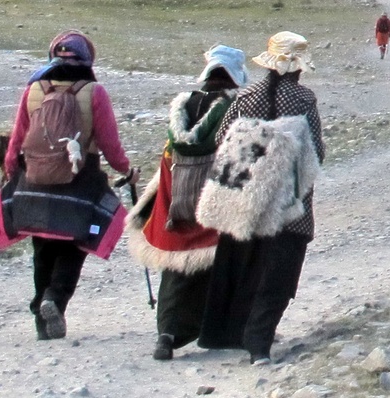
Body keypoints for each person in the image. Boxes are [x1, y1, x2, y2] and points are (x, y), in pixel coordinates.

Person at [0, 31, 137, 340]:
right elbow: (110, 145)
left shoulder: (34, 89)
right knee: (74, 245)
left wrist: (10, 171)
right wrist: (127, 169)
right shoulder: (93, 92)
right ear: (88, 59)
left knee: (43, 245)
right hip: (79, 179)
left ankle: (40, 319)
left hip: (35, 178)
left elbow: (17, 136)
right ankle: (54, 300)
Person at [198, 32, 324, 364]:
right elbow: (316, 151)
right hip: (288, 203)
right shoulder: (304, 99)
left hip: (244, 196)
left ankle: (229, 333)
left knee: (244, 264)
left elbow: (223, 138)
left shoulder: (245, 96)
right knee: (279, 272)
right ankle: (259, 342)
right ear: (297, 67)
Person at [127, 45, 248, 361]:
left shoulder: (182, 110)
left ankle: (166, 335)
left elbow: (167, 160)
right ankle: (219, 331)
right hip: (215, 203)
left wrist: (158, 203)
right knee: (215, 267)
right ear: (234, 77)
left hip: (177, 202)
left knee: (176, 269)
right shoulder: (235, 111)